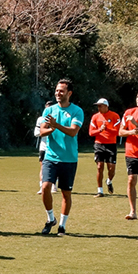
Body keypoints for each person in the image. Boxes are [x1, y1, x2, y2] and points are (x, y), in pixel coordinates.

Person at [38, 79, 84, 236]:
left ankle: (62, 226)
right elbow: (41, 132)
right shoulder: (49, 111)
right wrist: (51, 129)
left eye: (61, 91)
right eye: (57, 90)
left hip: (69, 159)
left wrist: (56, 125)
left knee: (66, 193)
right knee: (45, 188)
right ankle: (51, 219)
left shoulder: (77, 111)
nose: (58, 93)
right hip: (51, 156)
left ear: (69, 93)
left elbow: (73, 132)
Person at [119, 88, 138, 220]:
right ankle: (133, 211)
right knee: (131, 180)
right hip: (132, 152)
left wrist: (135, 124)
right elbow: (120, 132)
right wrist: (132, 132)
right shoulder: (129, 112)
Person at [89, 98, 120, 197]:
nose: (98, 107)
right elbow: (91, 132)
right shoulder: (95, 117)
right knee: (99, 167)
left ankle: (109, 181)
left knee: (111, 169)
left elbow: (118, 131)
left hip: (111, 145)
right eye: (97, 106)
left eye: (100, 105)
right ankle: (100, 191)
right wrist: (99, 130)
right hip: (99, 144)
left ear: (106, 106)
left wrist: (107, 129)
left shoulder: (115, 116)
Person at [34, 101, 57, 195]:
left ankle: (53, 185)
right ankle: (41, 187)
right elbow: (36, 133)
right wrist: (46, 131)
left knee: (56, 167)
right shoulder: (41, 119)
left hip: (55, 146)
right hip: (43, 147)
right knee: (43, 167)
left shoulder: (57, 118)